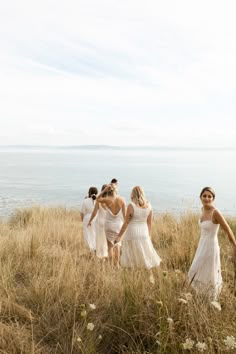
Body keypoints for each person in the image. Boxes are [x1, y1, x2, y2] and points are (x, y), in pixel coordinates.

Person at [188, 187, 236, 300]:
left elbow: (228, 230)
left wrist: (235, 247)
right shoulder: (202, 209)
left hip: (211, 246)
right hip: (202, 245)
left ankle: (211, 298)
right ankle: (200, 295)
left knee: (209, 272)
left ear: (213, 199)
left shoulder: (216, 212)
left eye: (210, 196)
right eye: (204, 195)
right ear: (200, 197)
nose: (207, 198)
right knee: (198, 269)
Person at [115, 186, 161, 269]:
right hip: (144, 233)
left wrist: (119, 236)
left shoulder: (131, 205)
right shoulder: (149, 206)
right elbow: (149, 223)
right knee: (144, 255)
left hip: (132, 233)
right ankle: (144, 271)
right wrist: (149, 235)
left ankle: (134, 272)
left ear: (132, 194)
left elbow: (126, 223)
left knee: (132, 256)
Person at [97, 183, 126, 267]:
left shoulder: (107, 199)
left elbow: (98, 199)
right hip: (118, 225)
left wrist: (104, 191)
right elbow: (125, 217)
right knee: (117, 245)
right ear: (115, 190)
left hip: (108, 225)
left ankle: (110, 265)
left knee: (110, 246)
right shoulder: (122, 200)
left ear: (108, 190)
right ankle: (116, 265)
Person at [87, 185, 108, 259]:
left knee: (99, 239)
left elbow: (94, 212)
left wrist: (90, 221)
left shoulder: (99, 201)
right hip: (107, 222)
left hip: (99, 222)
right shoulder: (111, 201)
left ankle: (100, 255)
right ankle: (106, 254)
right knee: (106, 239)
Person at [80, 186, 98, 252]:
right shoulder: (99, 200)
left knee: (88, 234)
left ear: (89, 192)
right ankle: (96, 247)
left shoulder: (85, 201)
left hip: (87, 218)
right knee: (95, 233)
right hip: (96, 218)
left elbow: (82, 212)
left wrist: (83, 221)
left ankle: (91, 249)